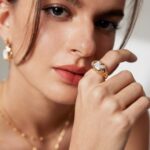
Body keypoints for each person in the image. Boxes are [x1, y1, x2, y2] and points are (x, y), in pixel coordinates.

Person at [0, 0, 149, 150]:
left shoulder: (119, 119)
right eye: (57, 11)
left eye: (105, 23)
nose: (87, 47)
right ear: (5, 18)